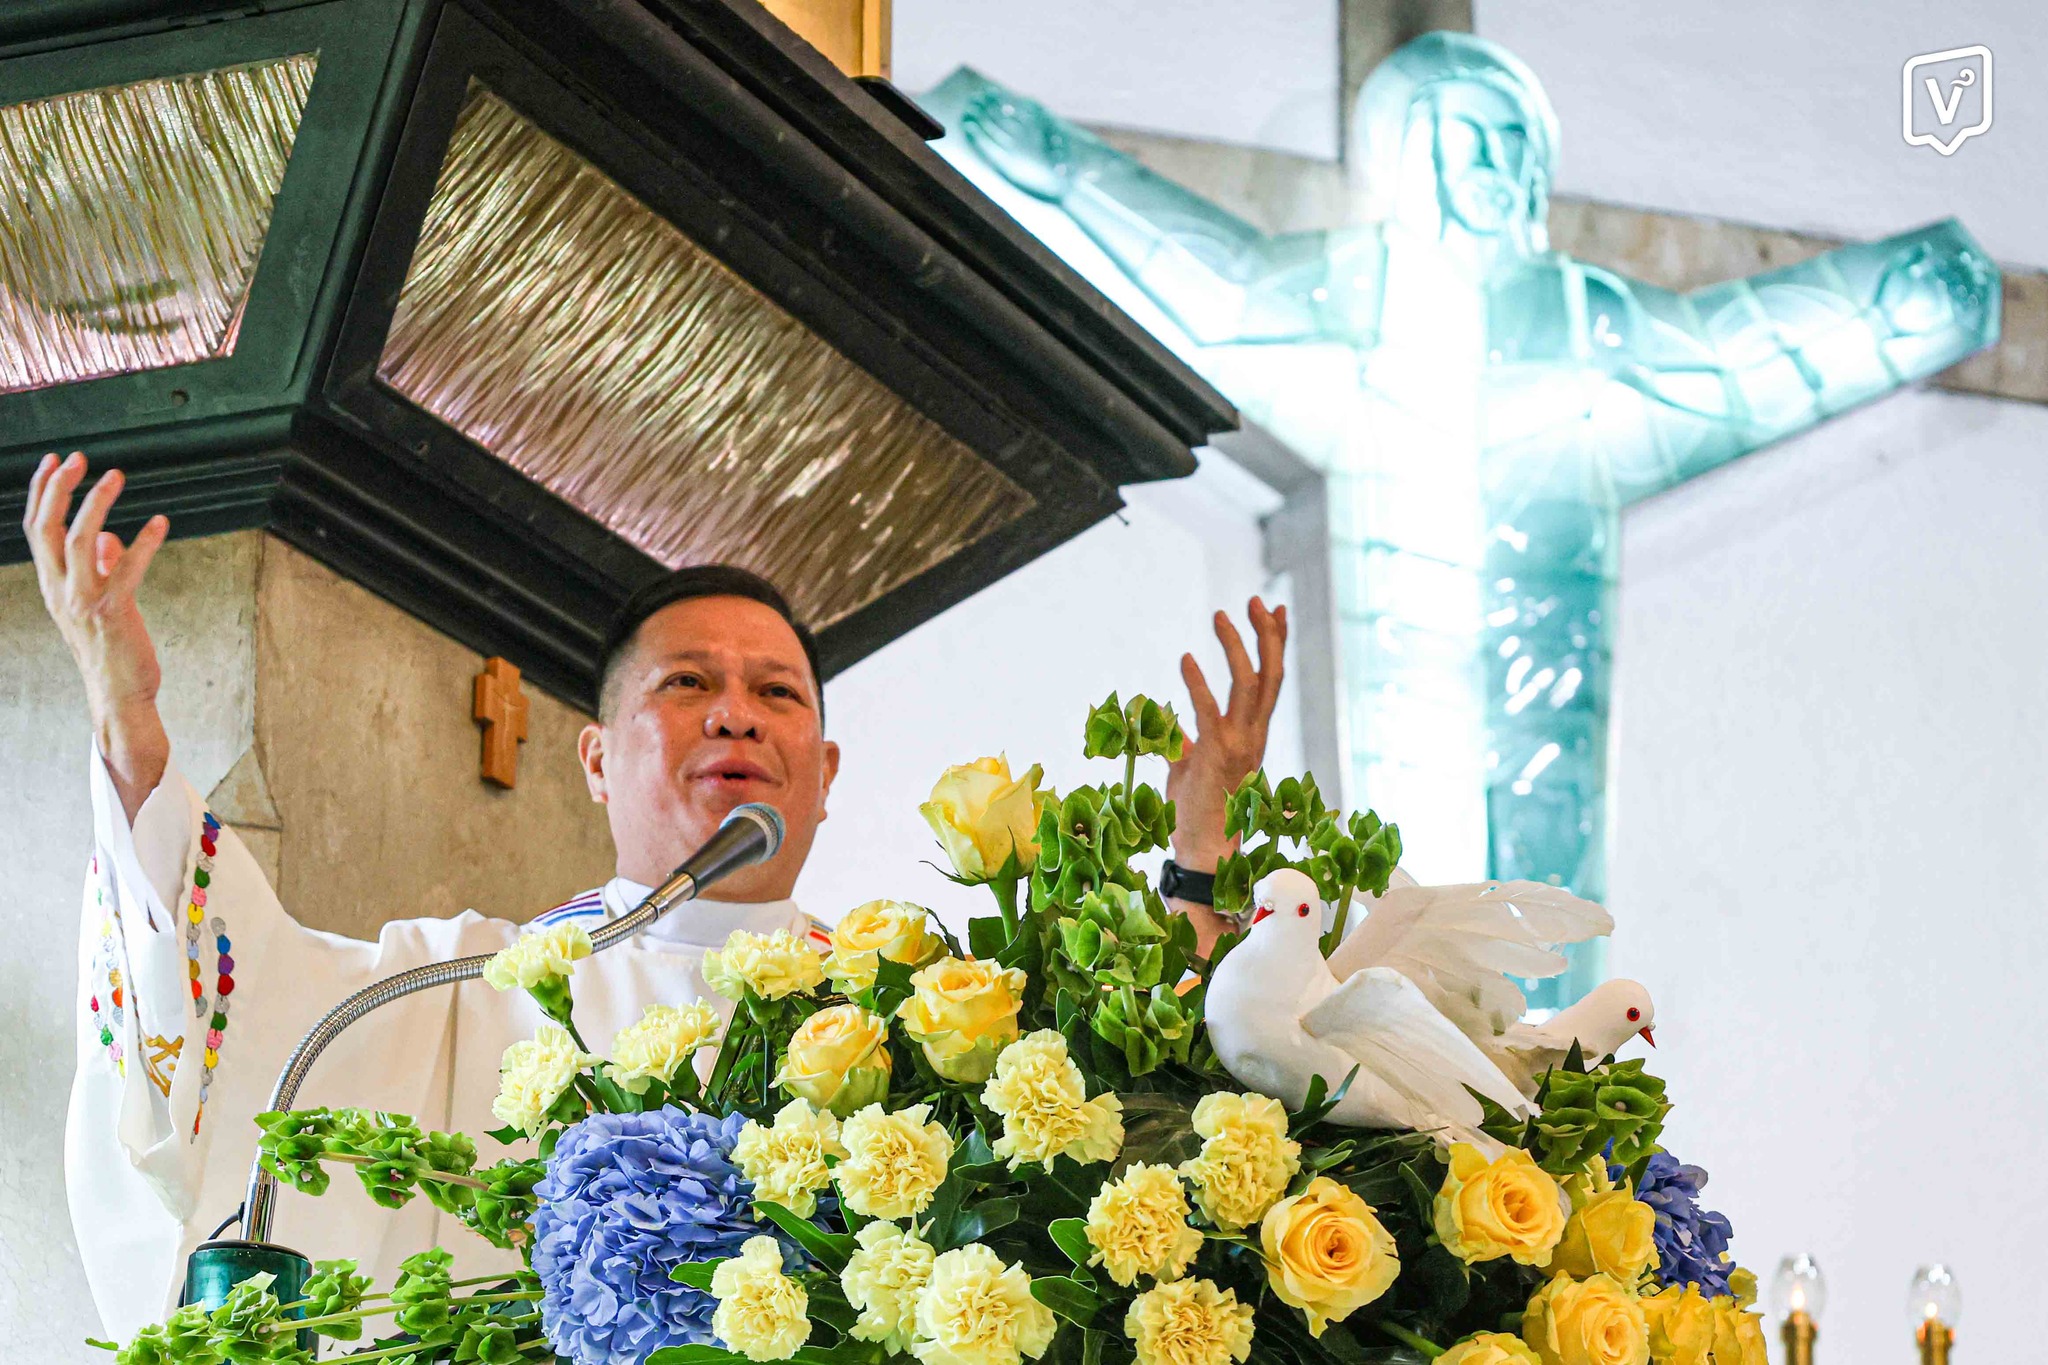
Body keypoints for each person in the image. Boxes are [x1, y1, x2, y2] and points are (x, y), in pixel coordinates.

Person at [24, 450, 1289, 1334]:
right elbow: (234, 1009)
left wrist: (1198, 835)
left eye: (777, 692)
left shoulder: (925, 1012)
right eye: (685, 684)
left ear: (825, 771)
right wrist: (128, 718)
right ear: (594, 756)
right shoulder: (464, 989)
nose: (735, 711)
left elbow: (1130, 1107)